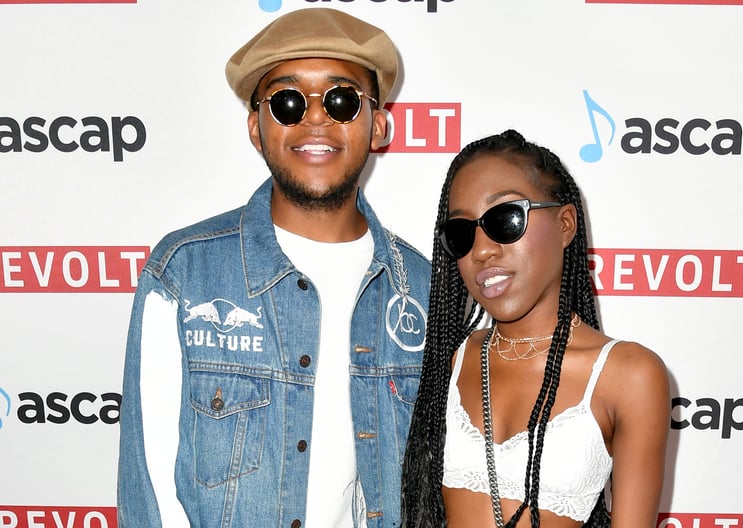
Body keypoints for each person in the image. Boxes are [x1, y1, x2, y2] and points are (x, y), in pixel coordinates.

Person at [117, 8, 430, 528]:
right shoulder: (183, 275)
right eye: (287, 101)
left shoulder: (421, 288)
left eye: (341, 100)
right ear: (256, 129)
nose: (315, 119)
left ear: (378, 125)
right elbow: (146, 492)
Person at [401, 130, 670, 528]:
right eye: (461, 233)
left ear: (565, 224)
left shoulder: (628, 374)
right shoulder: (454, 357)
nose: (482, 250)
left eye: (505, 219)